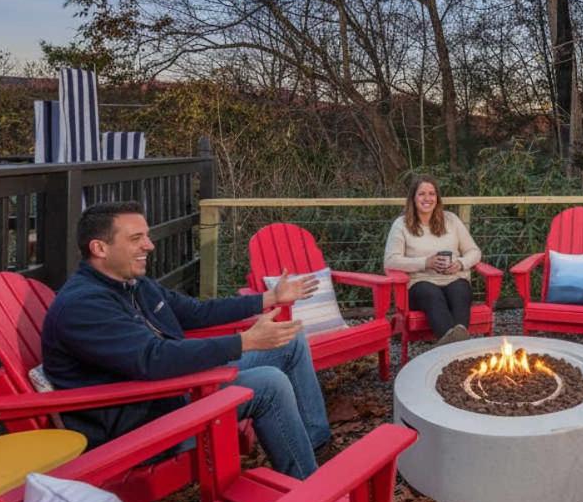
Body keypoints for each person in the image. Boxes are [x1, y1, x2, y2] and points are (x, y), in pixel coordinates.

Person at [41, 201, 331, 480]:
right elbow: (153, 359)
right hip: (138, 425)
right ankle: (307, 487)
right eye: (136, 238)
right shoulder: (83, 306)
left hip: (173, 390)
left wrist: (268, 298)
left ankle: (315, 442)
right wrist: (244, 342)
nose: (149, 245)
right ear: (100, 248)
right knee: (268, 383)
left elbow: (196, 312)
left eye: (147, 236)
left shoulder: (133, 285)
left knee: (290, 341)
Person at [383, 175, 482, 345]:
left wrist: (460, 263)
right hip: (420, 284)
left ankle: (452, 345)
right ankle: (460, 347)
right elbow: (391, 261)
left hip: (453, 278)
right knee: (430, 292)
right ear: (413, 198)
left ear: (437, 198)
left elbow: (474, 252)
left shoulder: (451, 220)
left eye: (432, 193)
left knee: (460, 288)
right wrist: (425, 263)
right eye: (422, 194)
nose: (427, 198)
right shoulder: (401, 225)